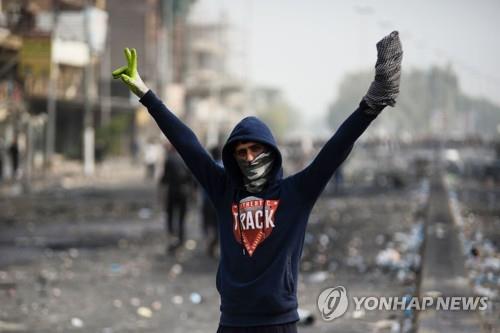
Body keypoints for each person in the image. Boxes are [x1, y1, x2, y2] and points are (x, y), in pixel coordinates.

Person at [113, 31, 403, 332]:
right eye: (241, 152)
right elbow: (188, 145)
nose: (249, 158)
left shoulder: (297, 193)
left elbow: (336, 147)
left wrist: (372, 104)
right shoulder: (224, 190)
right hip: (233, 323)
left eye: (255, 149)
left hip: (279, 323)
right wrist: (147, 96)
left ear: (270, 151)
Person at [159, 145, 193, 253]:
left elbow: (164, 178)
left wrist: (160, 193)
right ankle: (181, 239)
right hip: (183, 192)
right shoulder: (185, 158)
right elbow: (191, 178)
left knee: (170, 215)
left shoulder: (169, 159)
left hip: (172, 191)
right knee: (182, 217)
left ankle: (172, 237)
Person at [202, 146, 222, 258]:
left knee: (208, 224)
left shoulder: (208, 167)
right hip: (220, 202)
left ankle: (210, 242)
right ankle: (215, 243)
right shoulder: (227, 166)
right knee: (219, 225)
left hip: (207, 201)